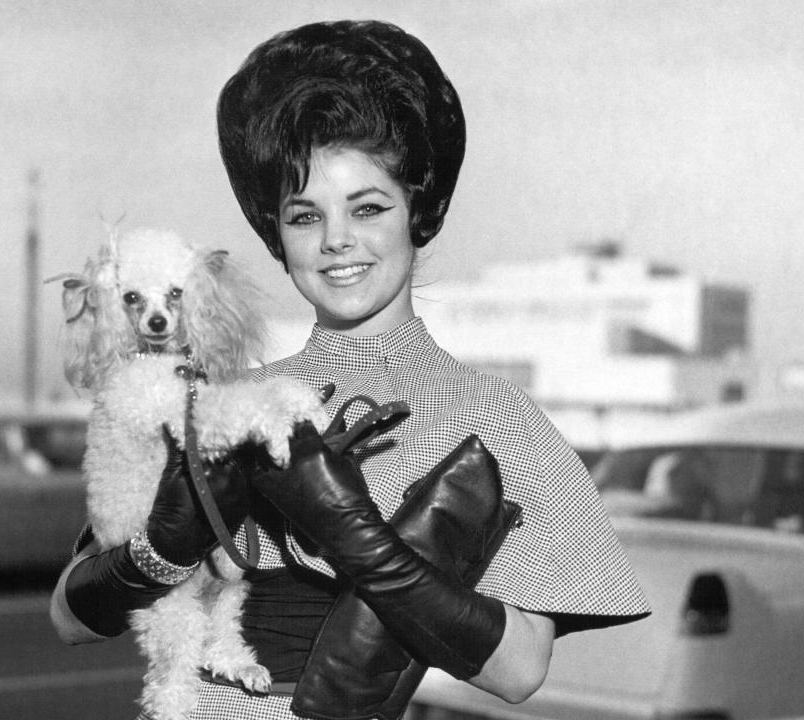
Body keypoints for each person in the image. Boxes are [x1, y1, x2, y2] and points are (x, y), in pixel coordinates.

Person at [50, 19, 650, 720]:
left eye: (367, 208)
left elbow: (520, 670)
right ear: (277, 232)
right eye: (305, 216)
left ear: (417, 211)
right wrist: (167, 545)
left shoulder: (494, 417)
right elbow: (69, 614)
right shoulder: (225, 398)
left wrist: (351, 531)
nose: (337, 241)